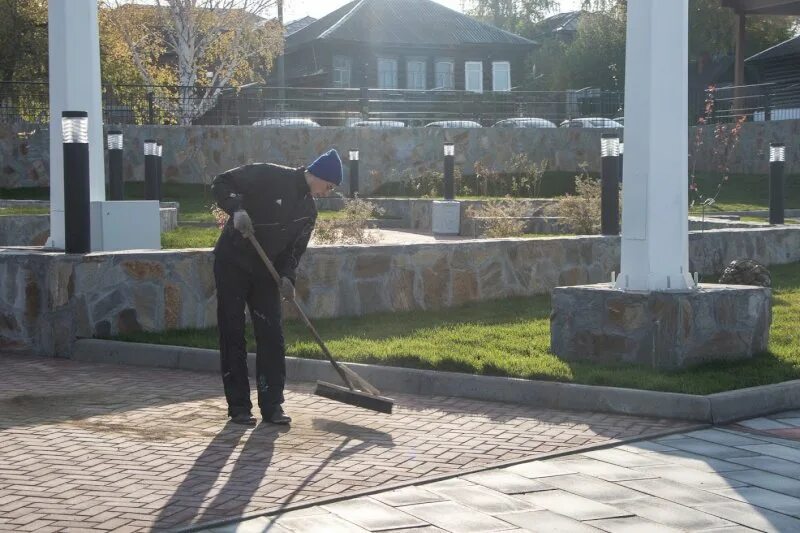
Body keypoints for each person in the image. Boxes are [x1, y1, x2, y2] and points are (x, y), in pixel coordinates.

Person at [211, 149, 343, 426]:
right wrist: (237, 210)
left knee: (272, 335)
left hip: (265, 272)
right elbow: (221, 182)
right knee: (232, 331)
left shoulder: (308, 211)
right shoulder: (269, 174)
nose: (326, 192)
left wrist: (287, 277)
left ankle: (272, 406)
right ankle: (239, 407)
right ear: (318, 175)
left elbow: (295, 251)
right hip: (233, 263)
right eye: (328, 186)